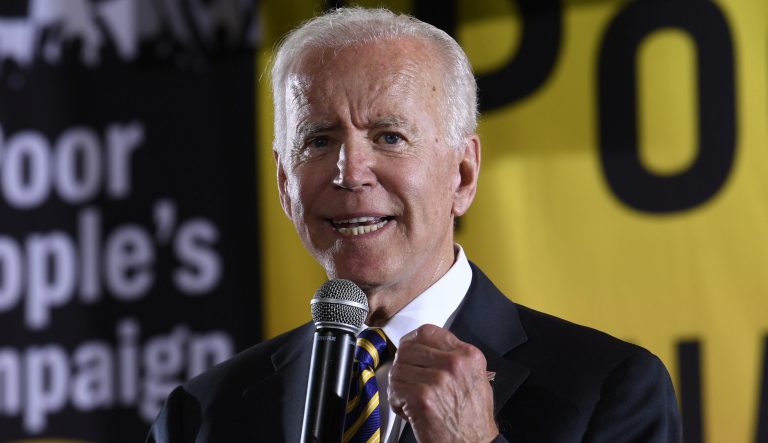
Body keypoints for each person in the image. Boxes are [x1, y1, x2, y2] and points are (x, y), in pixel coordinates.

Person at [147, 7, 681, 443]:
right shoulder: (200, 415)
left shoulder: (608, 390)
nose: (350, 172)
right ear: (285, 182)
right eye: (318, 140)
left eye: (388, 137)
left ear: (463, 174)